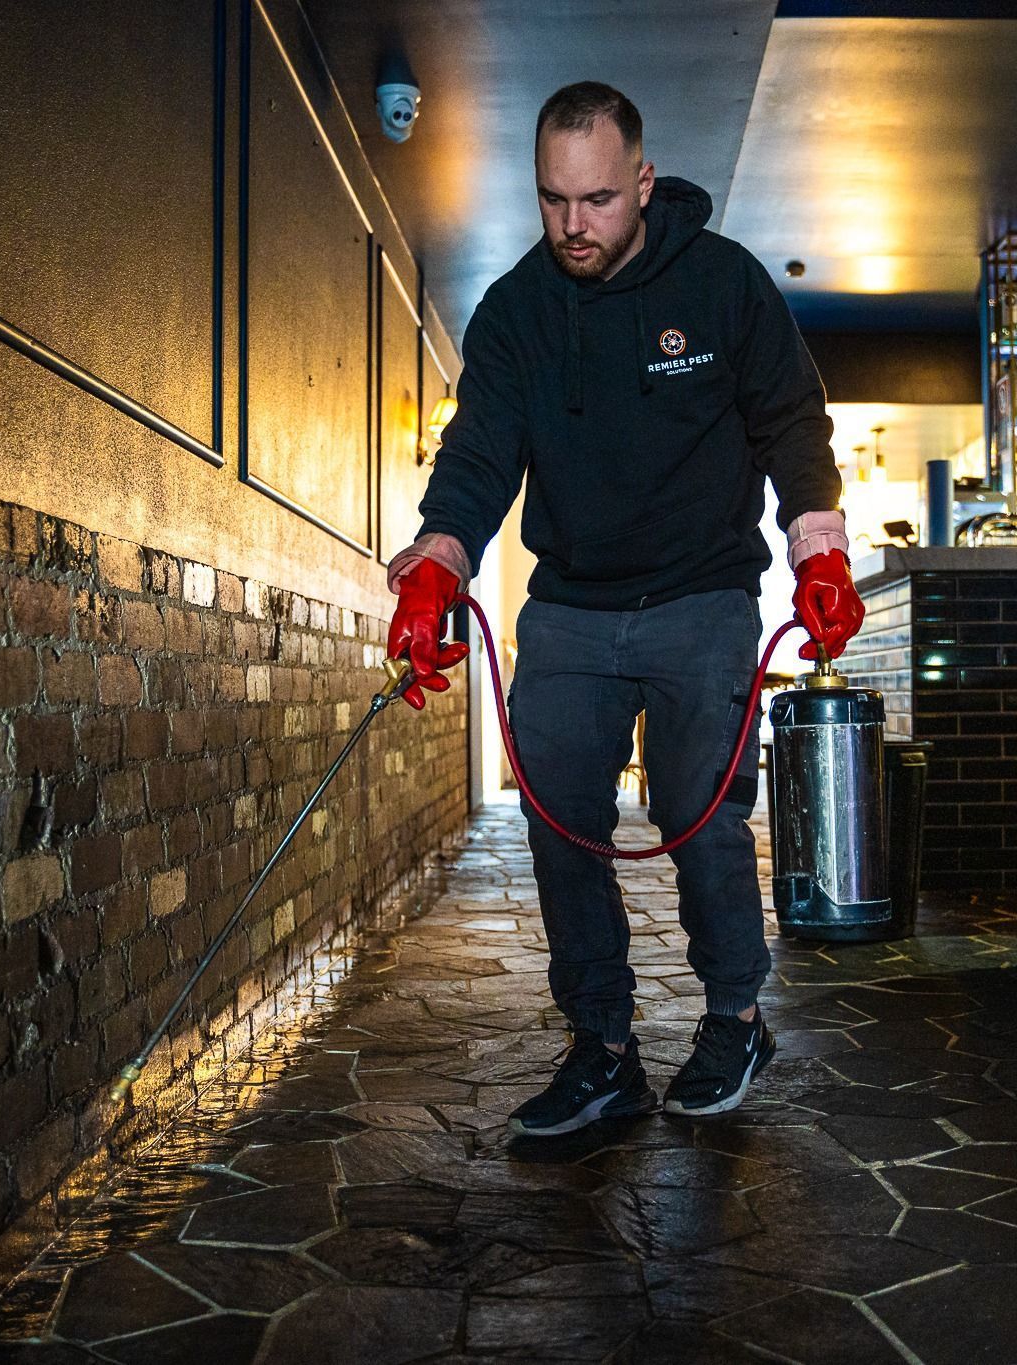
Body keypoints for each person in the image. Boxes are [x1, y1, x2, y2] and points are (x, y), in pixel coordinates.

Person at [385, 81, 862, 1137]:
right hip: (572, 610)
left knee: (699, 821)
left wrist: (818, 549)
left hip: (703, 597)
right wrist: (437, 560)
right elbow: (477, 457)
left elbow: (791, 422)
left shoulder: (725, 284)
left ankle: (734, 1015)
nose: (573, 225)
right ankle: (601, 1046)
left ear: (641, 183)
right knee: (561, 825)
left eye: (597, 200)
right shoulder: (516, 312)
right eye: (554, 200)